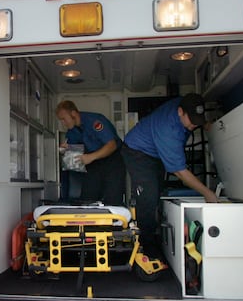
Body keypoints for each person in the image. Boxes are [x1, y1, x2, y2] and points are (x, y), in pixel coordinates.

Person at [121, 93, 217, 259]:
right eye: (192, 121)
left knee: (158, 192)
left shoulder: (186, 106)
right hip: (137, 151)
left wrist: (207, 124)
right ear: (180, 112)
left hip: (155, 152)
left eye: (198, 121)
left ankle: (158, 236)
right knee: (148, 195)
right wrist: (207, 193)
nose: (194, 125)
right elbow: (179, 171)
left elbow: (195, 117)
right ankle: (147, 247)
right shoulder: (168, 128)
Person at [56, 100, 126, 206]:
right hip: (93, 163)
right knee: (87, 198)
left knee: (113, 199)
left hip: (112, 160)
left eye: (63, 119)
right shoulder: (72, 131)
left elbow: (112, 145)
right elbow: (77, 151)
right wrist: (67, 149)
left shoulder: (94, 121)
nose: (63, 123)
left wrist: (91, 157)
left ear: (73, 114)